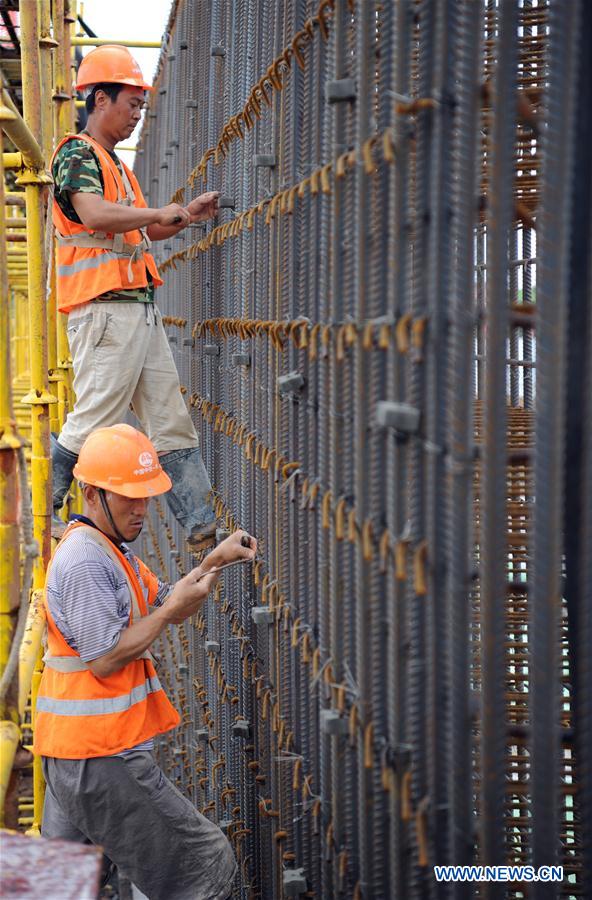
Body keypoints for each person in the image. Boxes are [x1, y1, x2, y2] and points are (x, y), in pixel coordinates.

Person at [35, 424, 257, 900]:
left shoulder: (111, 549)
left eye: (146, 497)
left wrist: (213, 562)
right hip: (98, 758)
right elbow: (106, 658)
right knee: (205, 865)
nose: (141, 509)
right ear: (92, 494)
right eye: (128, 498)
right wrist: (170, 613)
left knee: (61, 886)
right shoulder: (83, 562)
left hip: (78, 754)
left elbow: (164, 600)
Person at [50, 44, 218, 551]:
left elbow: (143, 232)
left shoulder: (116, 165)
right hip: (103, 309)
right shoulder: (77, 153)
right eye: (131, 105)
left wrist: (184, 214)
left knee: (169, 414)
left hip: (135, 311)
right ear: (99, 99)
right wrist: (154, 215)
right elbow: (95, 216)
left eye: (143, 109)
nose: (137, 117)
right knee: (97, 417)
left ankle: (199, 522)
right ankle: (43, 509)